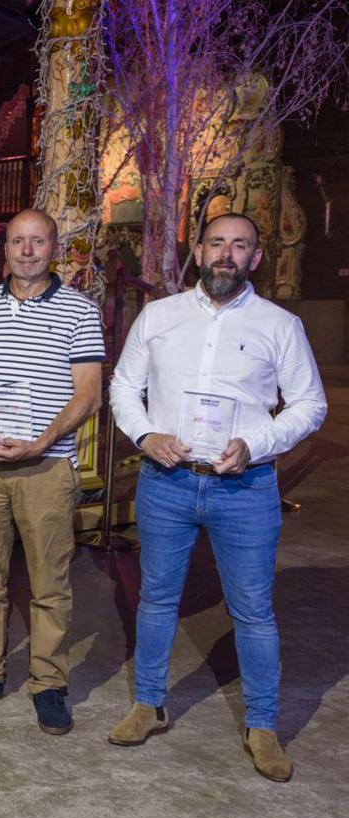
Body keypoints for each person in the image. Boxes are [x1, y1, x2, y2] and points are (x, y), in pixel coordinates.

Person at [107, 213, 326, 781]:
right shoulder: (159, 317)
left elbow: (309, 404)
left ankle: (262, 725)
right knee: (156, 598)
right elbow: (124, 387)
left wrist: (256, 442)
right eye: (217, 243)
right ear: (198, 250)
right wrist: (146, 434)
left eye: (241, 245)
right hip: (168, 481)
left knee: (252, 609)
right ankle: (149, 704)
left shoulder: (281, 325)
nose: (227, 254)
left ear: (256, 257)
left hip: (245, 488)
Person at [0, 208, 104, 735]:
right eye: (18, 242)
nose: (28, 251)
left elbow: (89, 393)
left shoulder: (80, 311)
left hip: (46, 467)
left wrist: (42, 440)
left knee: (49, 583)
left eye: (38, 241)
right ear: (6, 249)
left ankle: (48, 683)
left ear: (53, 247)